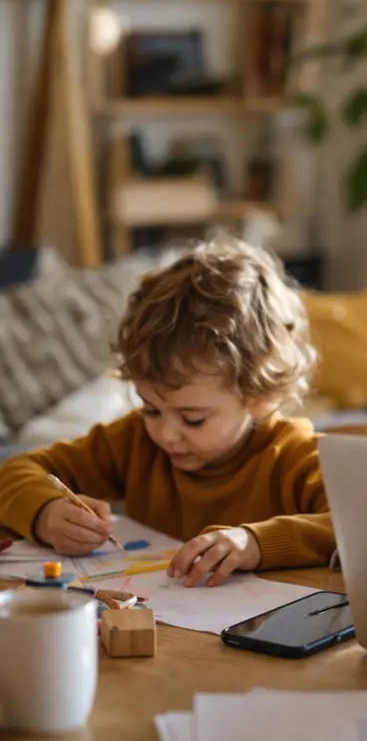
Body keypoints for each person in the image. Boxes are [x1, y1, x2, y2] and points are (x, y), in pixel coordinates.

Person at [0, 239, 334, 587]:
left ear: (262, 396)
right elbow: (16, 472)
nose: (166, 434)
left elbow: (359, 524)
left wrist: (255, 543)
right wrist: (46, 513)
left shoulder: (293, 456)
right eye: (150, 408)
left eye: (193, 418)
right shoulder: (135, 442)